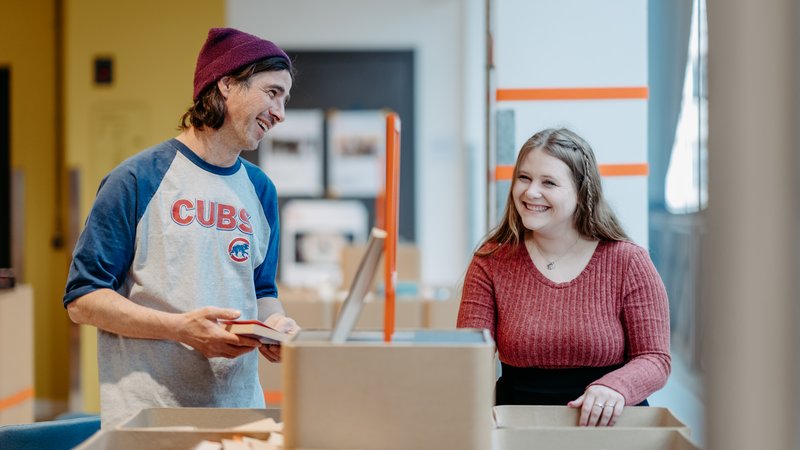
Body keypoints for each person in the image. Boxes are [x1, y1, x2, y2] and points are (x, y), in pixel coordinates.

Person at [63, 27, 300, 427]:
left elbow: (261, 290)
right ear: (226, 83)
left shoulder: (261, 190)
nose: (280, 112)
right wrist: (180, 329)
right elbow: (82, 299)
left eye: (285, 99)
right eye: (272, 92)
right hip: (150, 419)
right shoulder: (137, 179)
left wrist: (276, 324)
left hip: (239, 415)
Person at [457, 128, 670, 427]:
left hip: (610, 430)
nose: (530, 192)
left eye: (549, 183)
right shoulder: (491, 261)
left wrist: (615, 386)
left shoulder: (628, 261)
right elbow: (468, 361)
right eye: (524, 178)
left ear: (583, 193)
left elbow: (655, 358)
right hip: (518, 428)